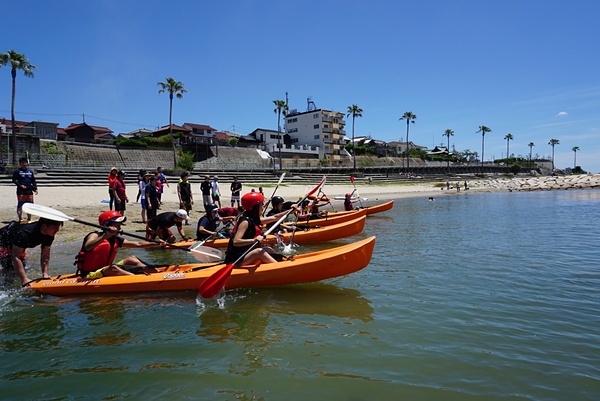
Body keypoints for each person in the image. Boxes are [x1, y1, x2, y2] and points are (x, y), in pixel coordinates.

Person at [75, 211, 165, 279]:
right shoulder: (94, 235)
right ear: (107, 225)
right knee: (113, 268)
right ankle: (139, 280)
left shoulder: (116, 240)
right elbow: (88, 247)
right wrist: (105, 236)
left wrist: (156, 243)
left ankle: (158, 274)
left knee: (132, 259)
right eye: (117, 225)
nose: (120, 228)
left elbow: (138, 244)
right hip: (90, 274)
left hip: (105, 269)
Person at [224, 192, 299, 265]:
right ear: (255, 207)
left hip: (245, 253)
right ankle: (281, 269)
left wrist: (291, 211)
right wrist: (254, 240)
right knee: (259, 252)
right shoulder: (245, 222)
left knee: (267, 249)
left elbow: (275, 217)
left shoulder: (254, 219)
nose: (263, 206)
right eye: (261, 204)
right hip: (235, 259)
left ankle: (283, 261)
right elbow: (236, 242)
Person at [0, 218, 63, 285]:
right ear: (44, 226)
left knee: (20, 269)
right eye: (54, 228)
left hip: (17, 244)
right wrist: (24, 279)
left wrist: (45, 274)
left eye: (58, 227)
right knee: (11, 268)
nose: (57, 230)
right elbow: (15, 257)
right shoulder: (25, 233)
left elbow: (45, 255)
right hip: (3, 242)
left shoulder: (50, 235)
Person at [12, 157, 38, 222]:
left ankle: (29, 218)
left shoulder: (30, 172)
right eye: (23, 163)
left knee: (30, 206)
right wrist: (20, 185)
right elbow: (14, 180)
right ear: (20, 164)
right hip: (21, 191)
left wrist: (35, 188)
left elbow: (33, 181)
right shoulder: (17, 171)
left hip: (29, 191)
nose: (24, 164)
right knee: (20, 205)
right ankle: (20, 219)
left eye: (25, 163)